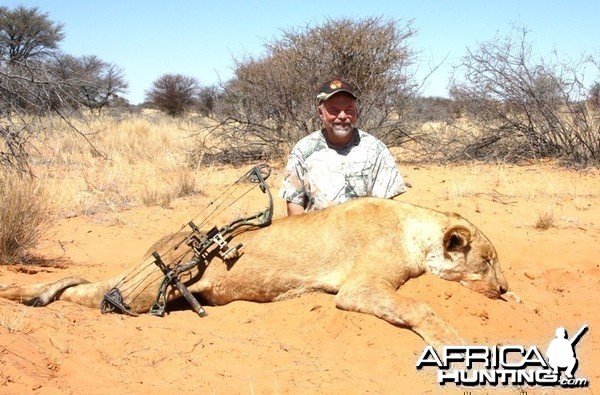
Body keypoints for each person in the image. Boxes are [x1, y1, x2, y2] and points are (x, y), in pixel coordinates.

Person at [280, 79, 407, 216]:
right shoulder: (303, 149)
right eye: (334, 110)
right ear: (321, 113)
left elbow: (385, 206)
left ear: (356, 112)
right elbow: (294, 204)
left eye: (349, 110)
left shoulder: (375, 149)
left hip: (363, 232)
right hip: (318, 234)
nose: (342, 116)